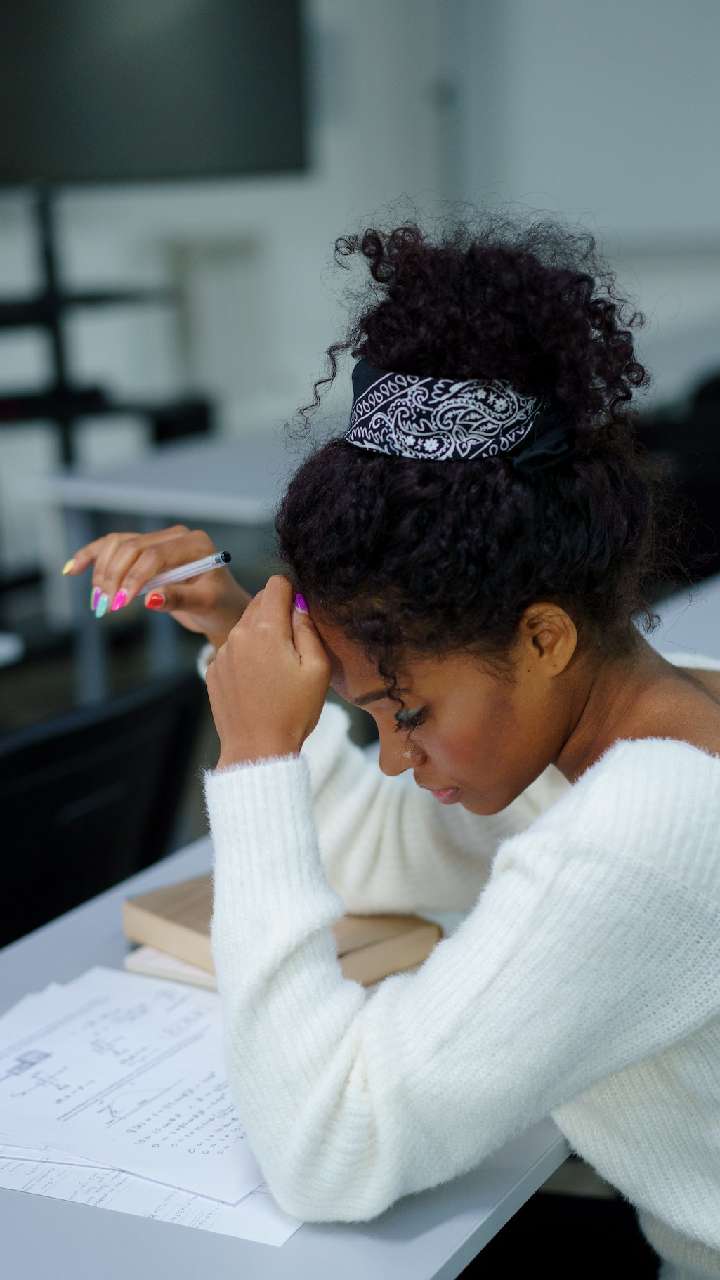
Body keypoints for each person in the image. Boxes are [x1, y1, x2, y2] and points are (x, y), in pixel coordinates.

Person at [65, 217, 720, 1279]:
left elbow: (328, 1147)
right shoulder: (651, 714)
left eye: (404, 712)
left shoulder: (647, 826)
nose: (393, 756)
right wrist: (237, 632)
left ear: (543, 636)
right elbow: (374, 854)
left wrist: (257, 759)